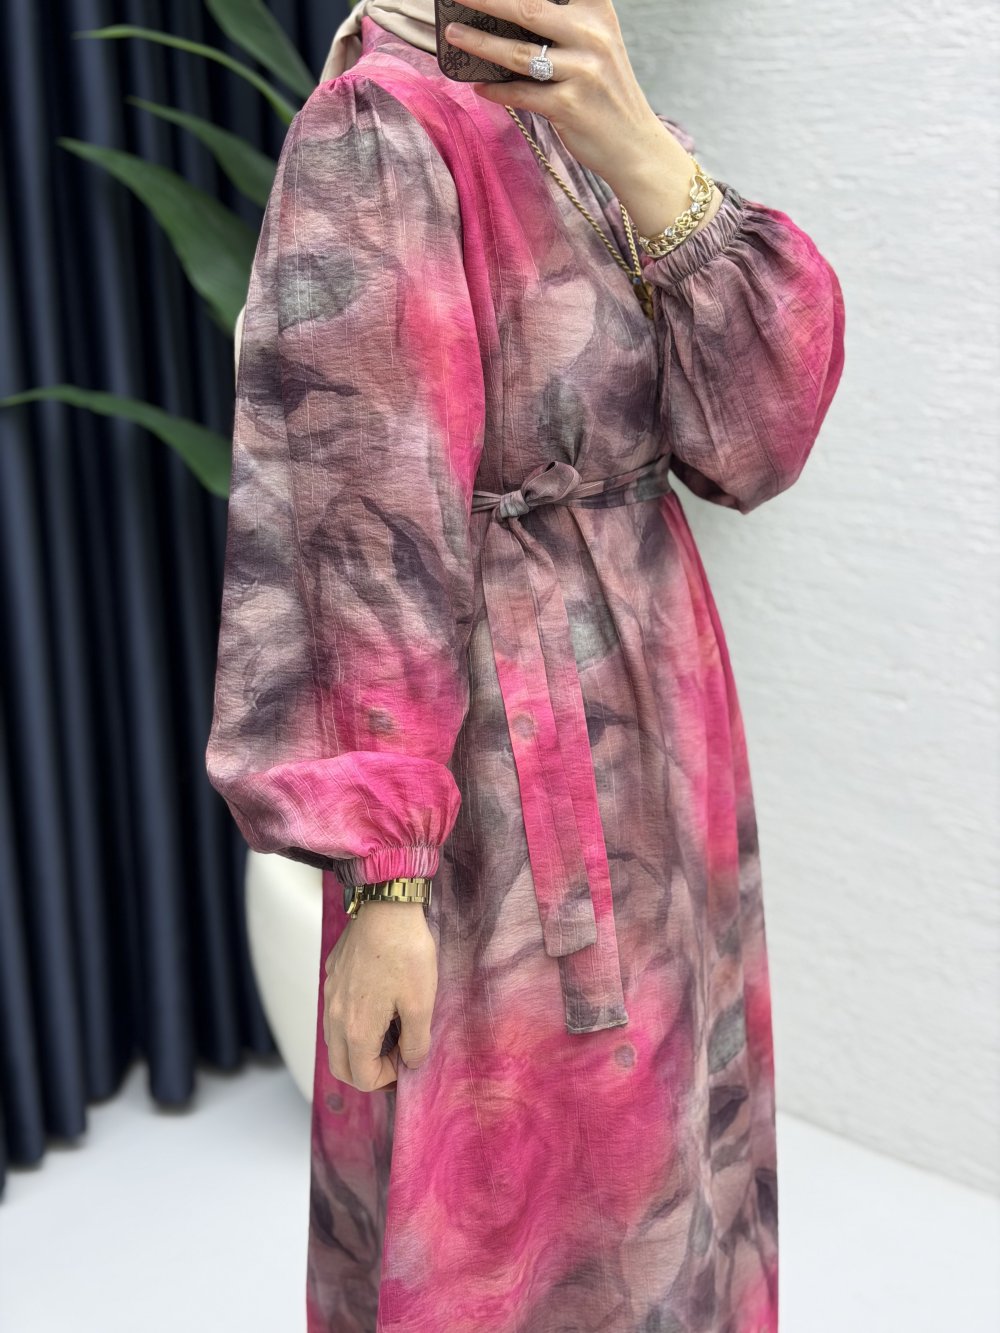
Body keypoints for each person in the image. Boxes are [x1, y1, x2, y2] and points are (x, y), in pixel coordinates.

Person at [205, 0, 846, 1327]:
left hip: (665, 738)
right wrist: (384, 884)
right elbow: (356, 517)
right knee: (533, 1226)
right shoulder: (380, 128)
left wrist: (638, 146)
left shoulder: (583, 107)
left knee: (676, 1185)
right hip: (507, 780)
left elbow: (760, 437)